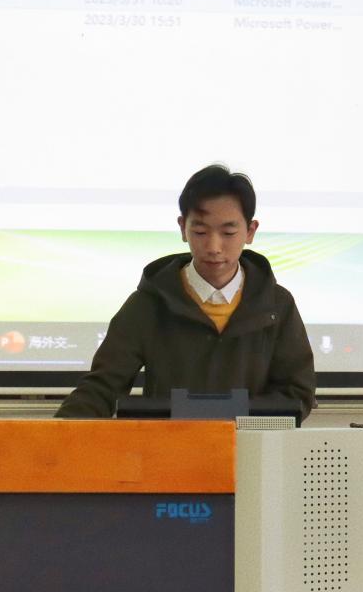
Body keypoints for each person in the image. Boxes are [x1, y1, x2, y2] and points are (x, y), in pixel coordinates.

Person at [55, 164, 316, 420]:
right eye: (200, 231)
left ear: (250, 231)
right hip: (167, 445)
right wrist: (58, 432)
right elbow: (102, 387)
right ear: (182, 228)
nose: (213, 247)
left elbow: (297, 394)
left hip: (252, 446)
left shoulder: (276, 305)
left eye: (228, 232)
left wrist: (233, 419)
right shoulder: (149, 303)